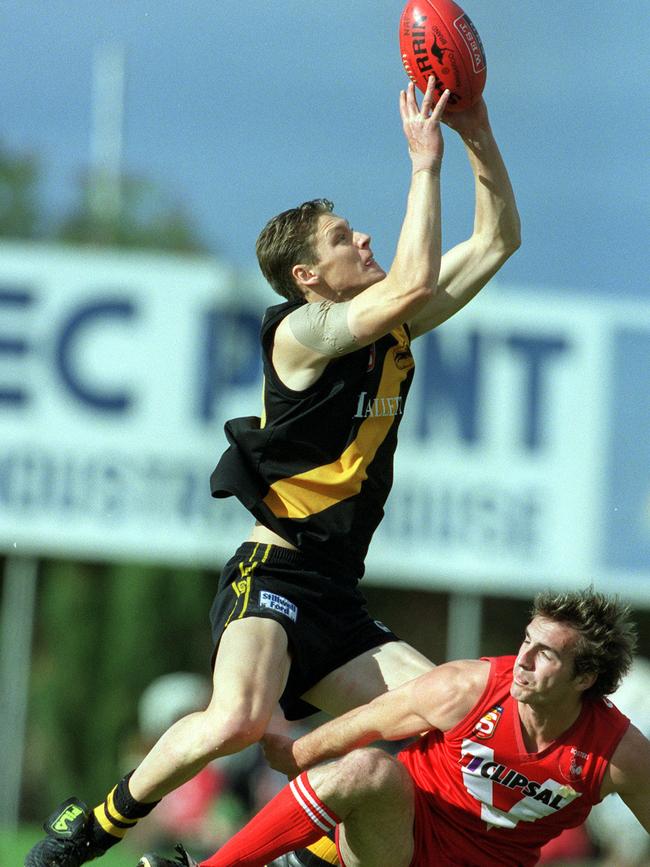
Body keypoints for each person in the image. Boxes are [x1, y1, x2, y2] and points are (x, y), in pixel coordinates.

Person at [25, 74, 520, 867]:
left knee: (457, 723)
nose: (363, 242)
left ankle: (302, 857)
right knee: (237, 719)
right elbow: (416, 281)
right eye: (343, 238)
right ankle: (93, 825)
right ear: (308, 279)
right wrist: (424, 163)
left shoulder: (388, 325)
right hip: (274, 569)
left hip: (337, 594)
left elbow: (499, 241)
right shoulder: (299, 332)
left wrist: (478, 130)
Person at [136, 588, 650, 867]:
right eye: (526, 641)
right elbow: (368, 722)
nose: (524, 660)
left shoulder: (620, 753)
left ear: (585, 678)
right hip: (395, 843)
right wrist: (298, 754)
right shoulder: (465, 687)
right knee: (368, 768)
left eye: (546, 655)